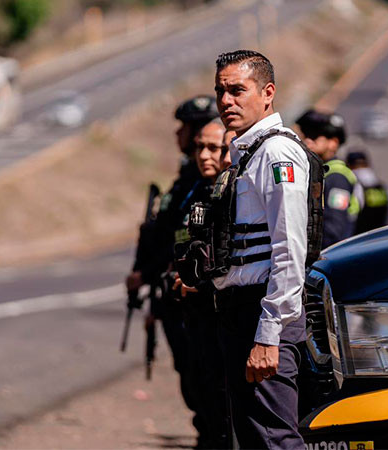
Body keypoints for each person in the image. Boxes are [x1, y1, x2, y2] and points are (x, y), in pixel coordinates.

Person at [210, 49, 319, 449]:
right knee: (256, 438)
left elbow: (289, 249)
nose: (226, 101)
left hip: (264, 312)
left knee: (275, 440)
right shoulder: (249, 152)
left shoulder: (276, 152)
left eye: (237, 90)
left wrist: (268, 333)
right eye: (221, 91)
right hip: (241, 312)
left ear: (267, 92)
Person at [125, 95, 219, 446]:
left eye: (186, 128)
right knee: (193, 379)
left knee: (204, 380)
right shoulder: (188, 180)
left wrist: (148, 274)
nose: (179, 134)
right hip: (174, 296)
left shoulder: (208, 182)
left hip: (192, 297)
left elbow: (177, 242)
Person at [171, 120, 232, 449]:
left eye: (214, 147)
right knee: (201, 393)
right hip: (193, 316)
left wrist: (203, 284)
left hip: (221, 316)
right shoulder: (193, 190)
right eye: (200, 147)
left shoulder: (232, 193)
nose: (205, 155)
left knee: (224, 405)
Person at [296, 109, 363, 247]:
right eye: (305, 134)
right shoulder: (317, 172)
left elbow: (333, 230)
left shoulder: (337, 177)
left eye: (314, 136)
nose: (308, 140)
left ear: (333, 142)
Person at [346, 150, 388, 234]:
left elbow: (351, 216)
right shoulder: (380, 186)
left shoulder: (356, 185)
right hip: (381, 234)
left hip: (360, 236)